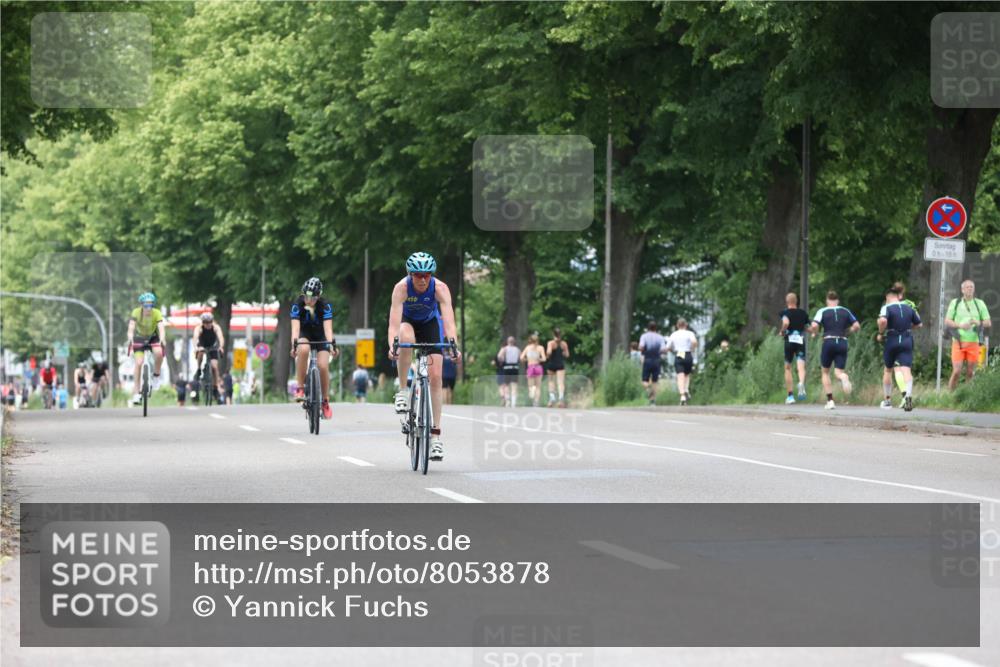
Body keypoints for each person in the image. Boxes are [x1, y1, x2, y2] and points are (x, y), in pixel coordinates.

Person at [387, 252, 461, 461]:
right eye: (417, 275)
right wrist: (393, 346)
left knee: (436, 377)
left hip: (430, 324)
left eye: (426, 275)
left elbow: (449, 321)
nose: (422, 279)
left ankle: (436, 438)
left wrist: (454, 346)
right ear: (410, 274)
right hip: (407, 322)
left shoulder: (440, 288)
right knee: (406, 337)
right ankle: (403, 391)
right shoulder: (401, 288)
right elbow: (393, 323)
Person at [290, 277, 339, 420]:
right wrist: (294, 346)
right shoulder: (297, 305)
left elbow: (328, 329)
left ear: (318, 296)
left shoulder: (325, 306)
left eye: (312, 298)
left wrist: (332, 345)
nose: (308, 300)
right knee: (303, 349)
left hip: (320, 335)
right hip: (305, 334)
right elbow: (295, 328)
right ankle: (300, 387)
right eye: (306, 296)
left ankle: (325, 401)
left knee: (323, 365)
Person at [810, 290, 860, 410]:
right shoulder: (845, 310)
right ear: (837, 301)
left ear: (827, 300)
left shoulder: (822, 311)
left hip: (829, 341)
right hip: (842, 341)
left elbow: (815, 325)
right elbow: (857, 325)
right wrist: (848, 331)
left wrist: (814, 334)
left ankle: (830, 401)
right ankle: (843, 377)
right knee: (838, 372)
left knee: (825, 372)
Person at [878, 285, 922, 411]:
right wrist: (908, 327)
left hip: (892, 339)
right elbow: (919, 324)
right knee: (906, 369)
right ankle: (908, 395)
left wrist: (880, 333)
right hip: (907, 339)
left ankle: (887, 401)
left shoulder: (886, 307)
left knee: (888, 370)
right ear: (898, 297)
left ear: (888, 297)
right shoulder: (909, 307)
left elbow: (882, 321)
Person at [945, 279, 991, 390]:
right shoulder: (955, 303)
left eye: (971, 287)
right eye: (967, 287)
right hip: (958, 341)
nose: (970, 289)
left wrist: (977, 322)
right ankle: (950, 396)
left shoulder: (979, 304)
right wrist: (960, 326)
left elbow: (988, 323)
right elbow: (947, 321)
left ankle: (966, 396)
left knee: (970, 372)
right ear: (962, 290)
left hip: (974, 342)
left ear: (974, 289)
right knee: (957, 371)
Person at [126, 292, 167, 405]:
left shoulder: (157, 313)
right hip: (139, 338)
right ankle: (136, 392)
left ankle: (156, 376)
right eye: (146, 305)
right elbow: (131, 327)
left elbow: (161, 328)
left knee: (158, 353)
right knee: (139, 363)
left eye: (151, 305)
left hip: (152, 337)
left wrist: (162, 339)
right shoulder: (136, 312)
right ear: (141, 305)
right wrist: (130, 337)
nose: (148, 308)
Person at [779, 292, 809, 404]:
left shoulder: (785, 312)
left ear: (787, 302)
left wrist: (782, 331)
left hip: (789, 341)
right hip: (800, 340)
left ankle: (790, 396)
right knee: (801, 367)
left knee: (788, 368)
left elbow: (786, 323)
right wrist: (814, 331)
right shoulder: (803, 313)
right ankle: (801, 383)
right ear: (796, 301)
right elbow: (808, 328)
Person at [193, 311, 226, 400]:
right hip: (202, 345)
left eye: (209, 322)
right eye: (205, 322)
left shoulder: (216, 328)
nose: (207, 324)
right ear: (202, 322)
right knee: (200, 353)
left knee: (214, 367)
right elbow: (195, 337)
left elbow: (221, 337)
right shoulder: (199, 328)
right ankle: (199, 368)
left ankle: (215, 387)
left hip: (213, 346)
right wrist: (196, 347)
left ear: (212, 321)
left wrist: (221, 347)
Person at [666, 318, 698, 405]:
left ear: (677, 325)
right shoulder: (690, 333)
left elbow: (668, 347)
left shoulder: (674, 334)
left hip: (679, 354)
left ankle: (682, 395)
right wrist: (692, 348)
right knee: (687, 374)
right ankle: (686, 389)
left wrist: (672, 350)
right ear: (686, 325)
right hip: (688, 354)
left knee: (680, 376)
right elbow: (694, 342)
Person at [638, 321, 667, 405]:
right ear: (656, 328)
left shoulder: (644, 336)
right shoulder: (660, 337)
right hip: (657, 360)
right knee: (655, 381)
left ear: (648, 328)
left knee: (644, 380)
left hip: (647, 359)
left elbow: (641, 347)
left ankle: (648, 389)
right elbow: (663, 349)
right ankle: (653, 400)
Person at [546, 327, 571, 408]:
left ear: (553, 334)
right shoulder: (564, 344)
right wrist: (562, 352)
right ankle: (561, 399)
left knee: (551, 381)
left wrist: (548, 355)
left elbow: (549, 352)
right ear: (561, 334)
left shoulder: (551, 343)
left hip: (551, 364)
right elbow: (567, 355)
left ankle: (552, 398)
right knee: (560, 382)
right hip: (560, 364)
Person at [520, 334, 547, 407]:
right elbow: (544, 359)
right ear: (537, 340)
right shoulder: (540, 348)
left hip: (530, 367)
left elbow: (521, 358)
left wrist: (527, 359)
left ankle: (532, 390)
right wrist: (538, 359)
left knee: (530, 386)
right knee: (538, 386)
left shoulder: (527, 348)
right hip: (538, 367)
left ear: (530, 340)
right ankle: (536, 402)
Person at [497, 337, 521, 407]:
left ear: (508, 341)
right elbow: (521, 357)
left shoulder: (505, 349)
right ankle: (514, 402)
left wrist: (502, 360)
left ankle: (508, 400)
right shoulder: (517, 349)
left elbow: (499, 356)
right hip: (515, 367)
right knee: (514, 384)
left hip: (507, 367)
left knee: (506, 384)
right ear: (514, 342)